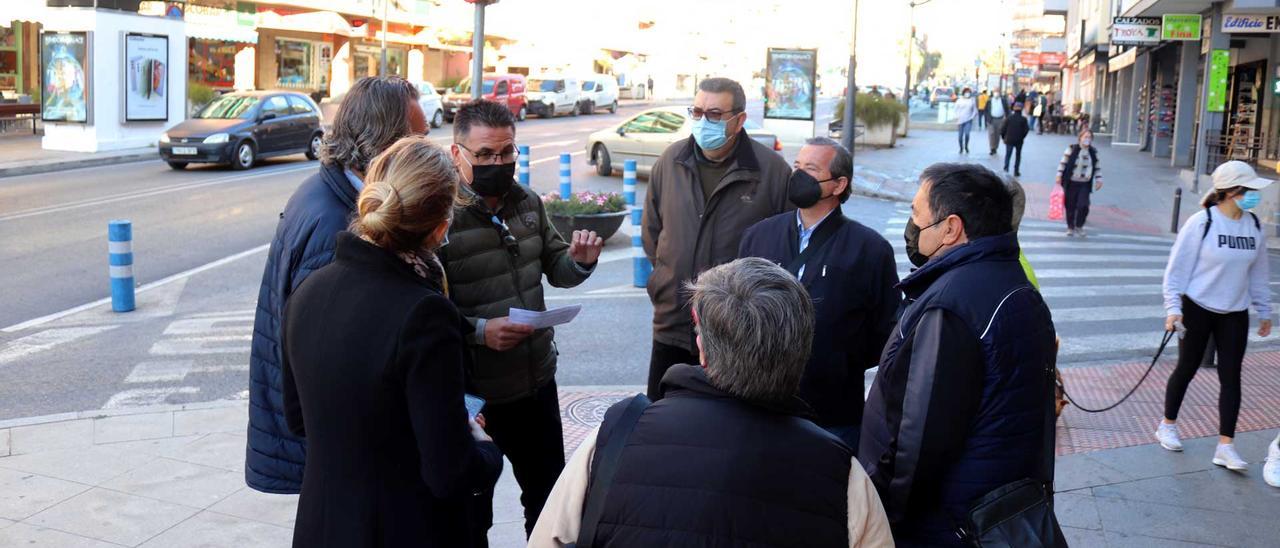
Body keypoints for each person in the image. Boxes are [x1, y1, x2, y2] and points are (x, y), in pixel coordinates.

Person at [529, 258, 894, 547]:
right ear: (801, 353)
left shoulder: (616, 436)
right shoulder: (840, 473)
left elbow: (548, 539)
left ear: (702, 348)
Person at [281, 137, 504, 547]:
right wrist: (486, 449)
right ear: (440, 226)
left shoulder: (307, 291)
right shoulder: (424, 313)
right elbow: (448, 472)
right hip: (402, 528)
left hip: (322, 524)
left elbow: (297, 419)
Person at [861, 163, 1058, 546]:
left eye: (917, 214)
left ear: (950, 228)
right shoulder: (1012, 282)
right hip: (991, 507)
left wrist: (882, 517)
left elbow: (917, 444)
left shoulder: (950, 306)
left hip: (945, 524)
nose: (912, 225)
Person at [246, 76, 426, 494]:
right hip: (337, 452)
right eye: (416, 139)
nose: (424, 149)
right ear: (385, 145)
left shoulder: (329, 188)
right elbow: (332, 362)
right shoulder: (338, 223)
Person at [439, 99, 603, 542]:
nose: (499, 162)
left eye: (506, 152)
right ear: (458, 154)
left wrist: (581, 262)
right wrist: (478, 332)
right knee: (473, 513)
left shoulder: (527, 201)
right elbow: (423, 310)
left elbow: (557, 269)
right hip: (477, 397)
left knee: (549, 501)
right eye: (486, 155)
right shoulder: (439, 216)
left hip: (535, 383)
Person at [738, 137, 899, 450]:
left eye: (810, 169)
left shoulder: (870, 249)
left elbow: (884, 332)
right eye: (796, 167)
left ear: (839, 185)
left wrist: (837, 358)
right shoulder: (759, 236)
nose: (797, 176)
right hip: (759, 404)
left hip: (833, 412)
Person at [642, 76, 792, 400]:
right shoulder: (671, 161)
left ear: (738, 120)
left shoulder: (773, 172)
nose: (702, 121)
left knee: (728, 433)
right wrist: (664, 278)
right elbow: (652, 233)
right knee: (662, 425)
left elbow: (786, 247)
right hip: (673, 323)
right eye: (696, 112)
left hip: (737, 336)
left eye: (713, 114)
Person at [1158, 161, 1274, 471]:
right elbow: (1176, 271)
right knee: (1187, 367)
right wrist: (1173, 309)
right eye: (1248, 191)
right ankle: (1167, 424)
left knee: (1231, 377)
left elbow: (1259, 274)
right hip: (1197, 307)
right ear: (1232, 192)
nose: (1253, 197)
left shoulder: (1254, 226)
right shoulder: (1202, 222)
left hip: (1234, 312)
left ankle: (1226, 445)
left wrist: (1264, 310)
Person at [1056, 131, 1103, 237]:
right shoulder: (1072, 149)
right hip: (1071, 182)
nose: (1087, 139)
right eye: (1085, 137)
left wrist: (1099, 180)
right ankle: (1070, 227)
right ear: (1080, 138)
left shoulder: (1093, 152)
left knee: (1083, 205)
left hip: (1085, 183)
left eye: (1090, 137)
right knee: (1070, 205)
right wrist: (1059, 175)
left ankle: (1079, 226)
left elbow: (1097, 167)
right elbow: (1063, 163)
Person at [1001, 102, 1030, 177]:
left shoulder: (1009, 118)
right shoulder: (1023, 119)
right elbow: (1026, 130)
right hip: (1019, 140)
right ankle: (1016, 171)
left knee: (1008, 155)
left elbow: (1003, 129)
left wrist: (1004, 137)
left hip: (1009, 139)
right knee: (1018, 155)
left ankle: (1006, 169)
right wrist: (1022, 136)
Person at [953, 87, 977, 154]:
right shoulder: (959, 100)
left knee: (967, 134)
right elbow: (955, 109)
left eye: (968, 92)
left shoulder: (972, 100)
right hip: (960, 120)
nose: (967, 94)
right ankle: (961, 148)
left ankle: (966, 146)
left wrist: (972, 117)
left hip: (968, 120)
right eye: (966, 92)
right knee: (960, 136)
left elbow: (975, 110)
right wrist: (957, 117)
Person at [985, 89, 1009, 156]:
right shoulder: (989, 101)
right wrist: (986, 119)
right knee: (991, 134)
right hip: (991, 119)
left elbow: (1007, 110)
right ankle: (992, 148)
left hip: (1000, 119)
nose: (996, 93)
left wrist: (1007, 119)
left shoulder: (1003, 101)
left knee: (997, 134)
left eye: (997, 92)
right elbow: (986, 110)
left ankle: (995, 147)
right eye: (995, 92)